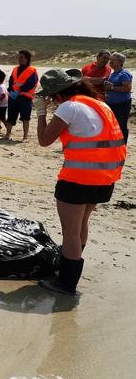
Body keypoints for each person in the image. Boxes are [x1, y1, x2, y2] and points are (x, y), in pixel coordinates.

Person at [34, 68, 126, 295]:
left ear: (56, 95)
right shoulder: (100, 104)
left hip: (77, 179)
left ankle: (66, 283)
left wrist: (41, 113)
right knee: (82, 224)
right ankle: (69, 267)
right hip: (105, 178)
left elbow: (44, 140)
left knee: (71, 232)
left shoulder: (68, 107)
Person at [3, 50, 39, 140]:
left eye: (21, 57)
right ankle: (8, 134)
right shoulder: (15, 69)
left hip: (25, 97)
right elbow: (11, 81)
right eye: (19, 57)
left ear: (27, 58)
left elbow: (31, 84)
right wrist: (10, 90)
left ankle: (25, 137)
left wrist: (19, 91)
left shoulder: (32, 70)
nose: (19, 59)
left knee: (25, 117)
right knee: (11, 116)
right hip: (13, 97)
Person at [103, 52, 132, 143]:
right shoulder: (113, 73)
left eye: (113, 60)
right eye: (110, 60)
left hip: (121, 104)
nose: (110, 62)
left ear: (120, 62)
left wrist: (111, 87)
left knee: (121, 125)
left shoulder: (124, 74)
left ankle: (123, 145)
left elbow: (127, 88)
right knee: (111, 125)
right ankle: (114, 144)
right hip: (111, 104)